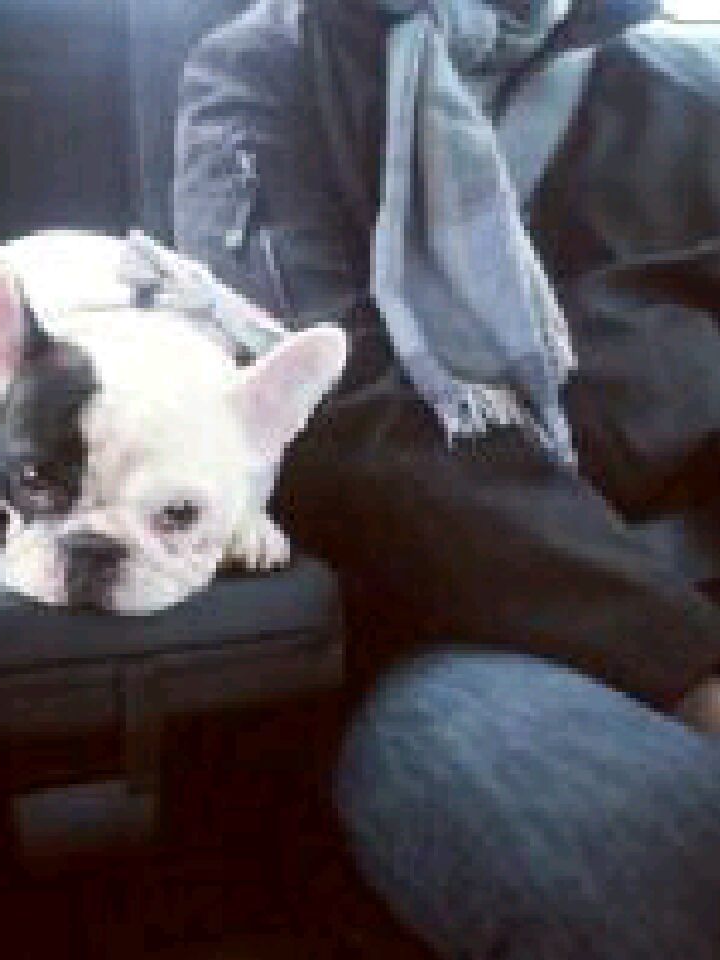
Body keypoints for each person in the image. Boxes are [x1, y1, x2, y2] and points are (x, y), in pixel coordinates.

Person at [174, 0, 720, 956]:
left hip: (698, 558)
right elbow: (335, 419)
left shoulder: (682, 87)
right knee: (650, 866)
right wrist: (691, 665)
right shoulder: (264, 74)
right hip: (455, 626)